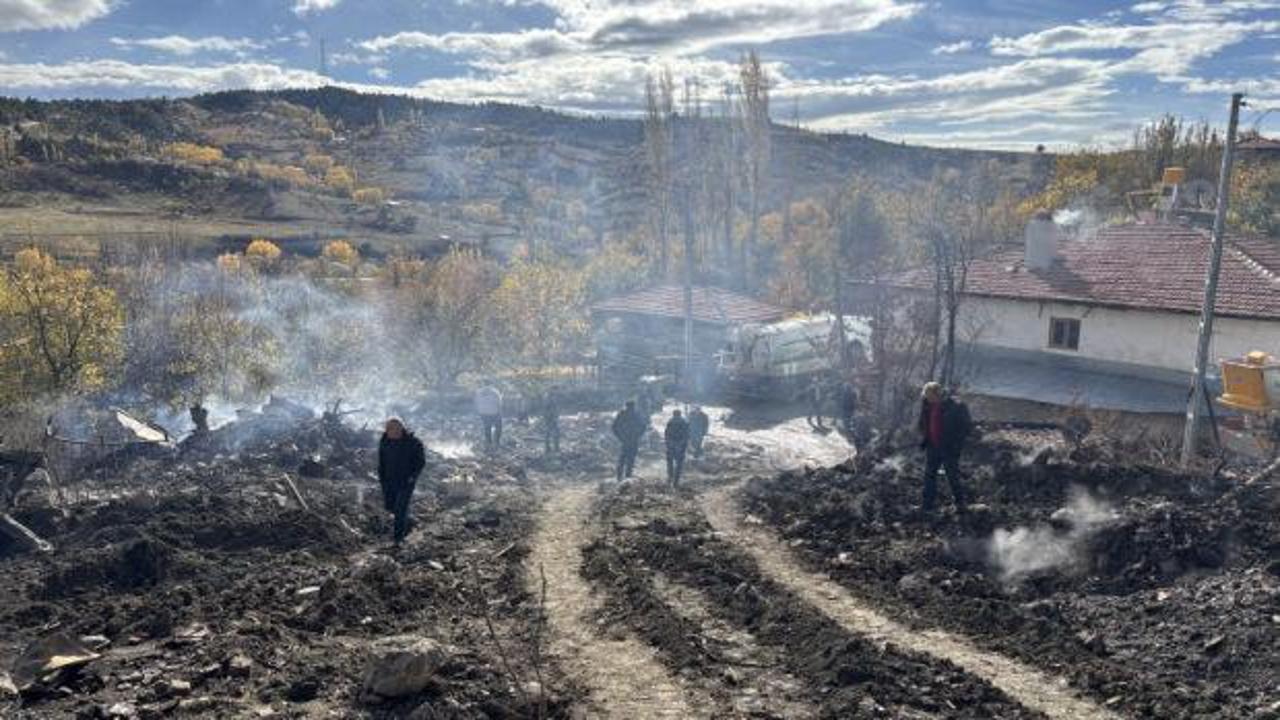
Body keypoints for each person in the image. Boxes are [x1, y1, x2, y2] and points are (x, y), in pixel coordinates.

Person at [918, 382, 972, 515]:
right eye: (926, 397)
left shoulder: (956, 406)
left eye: (930, 396)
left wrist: (956, 445)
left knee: (952, 475)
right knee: (929, 476)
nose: (928, 399)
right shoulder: (927, 405)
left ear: (938, 394)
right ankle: (927, 505)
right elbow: (923, 423)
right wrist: (925, 437)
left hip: (949, 448)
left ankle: (960, 503)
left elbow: (966, 428)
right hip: (933, 446)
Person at [378, 418, 426, 546]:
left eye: (393, 428)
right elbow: (381, 461)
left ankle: (398, 539)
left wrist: (412, 477)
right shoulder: (385, 441)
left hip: (406, 482)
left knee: (400, 508)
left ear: (400, 429)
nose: (389, 431)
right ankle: (408, 523)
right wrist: (382, 478)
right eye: (388, 428)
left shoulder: (413, 442)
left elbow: (420, 462)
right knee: (391, 507)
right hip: (389, 481)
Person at [611, 400, 646, 482]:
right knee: (629, 459)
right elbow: (643, 427)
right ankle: (626, 476)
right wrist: (637, 436)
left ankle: (621, 476)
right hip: (631, 439)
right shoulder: (636, 414)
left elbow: (614, 427)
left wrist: (620, 437)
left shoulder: (624, 414)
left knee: (623, 458)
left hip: (626, 439)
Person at [664, 409, 690, 487]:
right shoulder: (684, 422)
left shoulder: (670, 422)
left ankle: (670, 477)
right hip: (680, 446)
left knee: (670, 462)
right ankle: (676, 480)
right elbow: (686, 435)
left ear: (673, 414)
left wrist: (668, 444)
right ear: (680, 414)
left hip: (671, 445)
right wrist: (684, 445)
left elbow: (666, 434)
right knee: (679, 464)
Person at [475, 384, 503, 452]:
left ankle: (489, 444)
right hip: (494, 412)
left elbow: (476, 402)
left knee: (487, 428)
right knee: (498, 428)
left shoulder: (479, 392)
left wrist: (479, 412)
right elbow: (499, 403)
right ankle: (496, 443)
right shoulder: (495, 391)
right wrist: (499, 412)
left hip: (484, 413)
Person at [541, 389, 561, 456]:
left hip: (552, 418)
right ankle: (550, 448)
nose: (557, 391)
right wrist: (551, 417)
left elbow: (554, 409)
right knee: (551, 433)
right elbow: (547, 409)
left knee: (553, 433)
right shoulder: (548, 398)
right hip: (550, 418)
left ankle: (553, 448)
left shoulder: (550, 397)